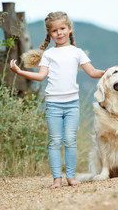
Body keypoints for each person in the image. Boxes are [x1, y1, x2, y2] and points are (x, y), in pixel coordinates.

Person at [10, 11, 105, 188]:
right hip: (53, 104)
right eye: (55, 31)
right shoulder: (48, 55)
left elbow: (92, 72)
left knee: (70, 139)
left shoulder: (77, 53)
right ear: (50, 34)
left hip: (72, 105)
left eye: (62, 28)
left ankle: (71, 177)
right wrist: (19, 71)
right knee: (54, 140)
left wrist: (109, 72)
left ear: (69, 29)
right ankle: (56, 179)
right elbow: (40, 76)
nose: (59, 33)